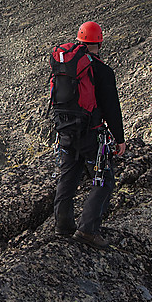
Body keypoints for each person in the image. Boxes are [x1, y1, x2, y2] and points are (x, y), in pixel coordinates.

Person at [53, 21, 126, 249]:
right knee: (104, 179)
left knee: (69, 175)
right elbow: (111, 107)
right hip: (90, 133)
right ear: (99, 42)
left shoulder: (66, 66)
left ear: (80, 40)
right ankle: (87, 230)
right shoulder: (102, 70)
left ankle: (63, 226)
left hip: (65, 130)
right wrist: (119, 138)